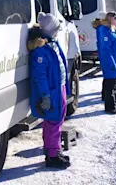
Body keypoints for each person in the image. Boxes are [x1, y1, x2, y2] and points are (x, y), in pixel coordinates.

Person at [28, 12, 72, 169]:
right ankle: (52, 155)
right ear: (50, 30)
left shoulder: (52, 43)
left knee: (57, 119)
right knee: (53, 120)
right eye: (56, 28)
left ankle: (53, 149)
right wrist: (45, 95)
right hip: (52, 91)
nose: (58, 31)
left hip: (58, 87)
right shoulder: (41, 50)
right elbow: (40, 76)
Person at [92, 11, 116, 114]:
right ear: (109, 19)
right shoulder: (105, 31)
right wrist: (111, 63)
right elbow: (106, 50)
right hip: (110, 62)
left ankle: (114, 103)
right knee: (110, 85)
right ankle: (109, 106)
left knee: (115, 83)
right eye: (115, 17)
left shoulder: (113, 30)